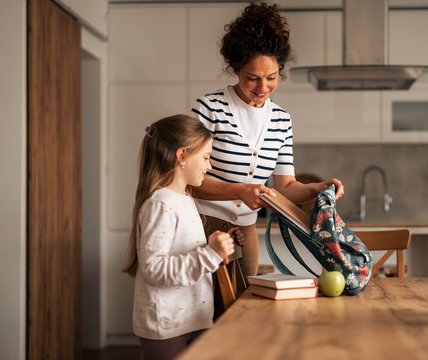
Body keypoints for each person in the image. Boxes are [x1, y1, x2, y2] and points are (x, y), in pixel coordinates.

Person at [191, 2, 344, 283]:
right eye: (253, 78)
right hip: (202, 228)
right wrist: (240, 191)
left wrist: (317, 188)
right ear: (236, 69)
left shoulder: (281, 120)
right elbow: (187, 179)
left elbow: (286, 187)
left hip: (246, 233)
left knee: (242, 315)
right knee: (203, 317)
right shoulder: (210, 108)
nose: (262, 87)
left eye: (271, 78)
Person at [122, 114, 245, 360]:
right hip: (167, 325)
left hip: (194, 318)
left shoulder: (186, 199)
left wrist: (221, 246)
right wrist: (211, 254)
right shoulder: (160, 204)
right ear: (182, 156)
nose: (209, 166)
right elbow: (154, 269)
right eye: (206, 157)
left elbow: (188, 251)